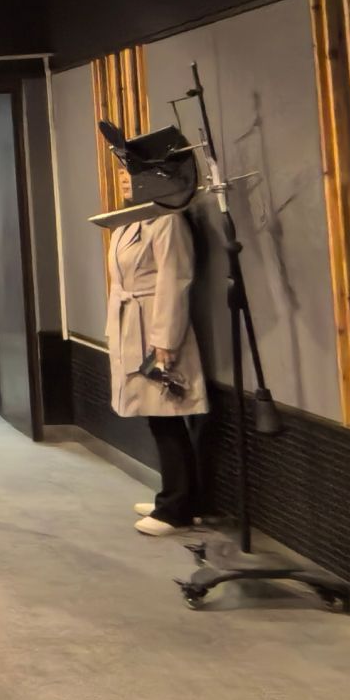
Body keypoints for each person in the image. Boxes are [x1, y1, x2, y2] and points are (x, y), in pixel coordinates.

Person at [105, 172, 212, 535]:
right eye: (122, 173)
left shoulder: (168, 221)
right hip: (132, 325)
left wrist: (165, 340)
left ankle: (176, 507)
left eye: (130, 174)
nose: (123, 180)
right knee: (158, 417)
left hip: (155, 328)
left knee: (167, 414)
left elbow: (175, 280)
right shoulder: (129, 219)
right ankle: (180, 499)